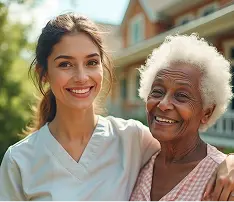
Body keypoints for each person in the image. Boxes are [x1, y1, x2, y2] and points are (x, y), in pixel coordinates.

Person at [0, 13, 233, 202]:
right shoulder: (19, 161)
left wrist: (230, 162)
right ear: (44, 74)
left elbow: (193, 152)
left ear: (103, 67)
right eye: (65, 64)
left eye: (91, 62)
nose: (81, 77)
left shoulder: (132, 139)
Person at [129, 34, 234, 202]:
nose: (163, 104)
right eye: (157, 91)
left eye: (181, 96)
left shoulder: (222, 181)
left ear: (206, 112)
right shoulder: (139, 162)